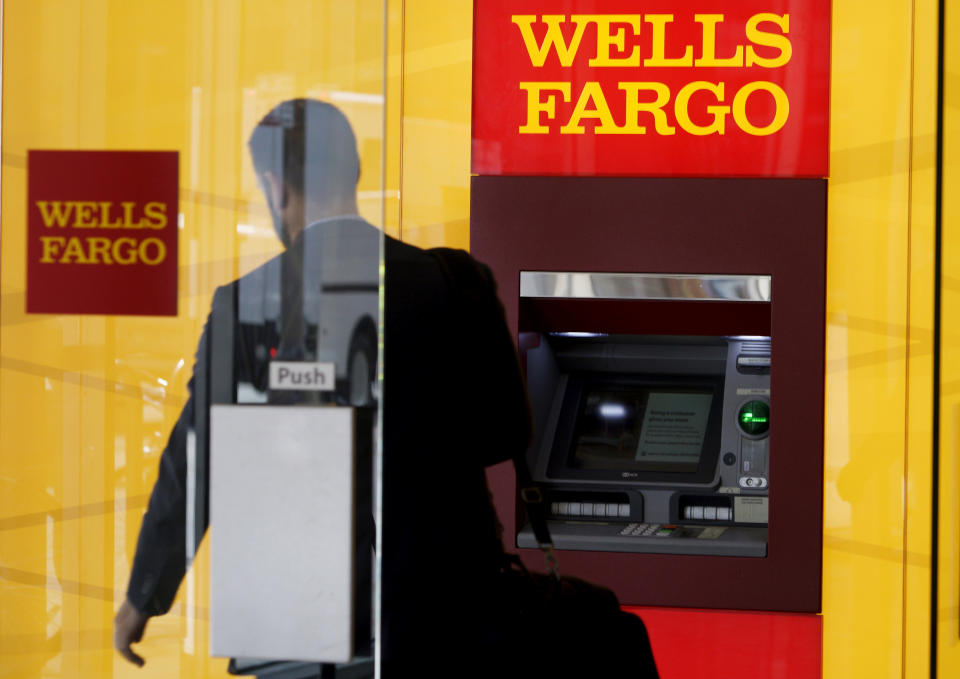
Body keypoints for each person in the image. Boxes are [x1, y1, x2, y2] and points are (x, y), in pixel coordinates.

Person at [113, 99, 531, 673]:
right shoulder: (455, 282)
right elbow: (504, 434)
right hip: (450, 615)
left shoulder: (247, 303)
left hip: (302, 626)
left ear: (274, 185)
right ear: (355, 172)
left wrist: (145, 596)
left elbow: (197, 459)